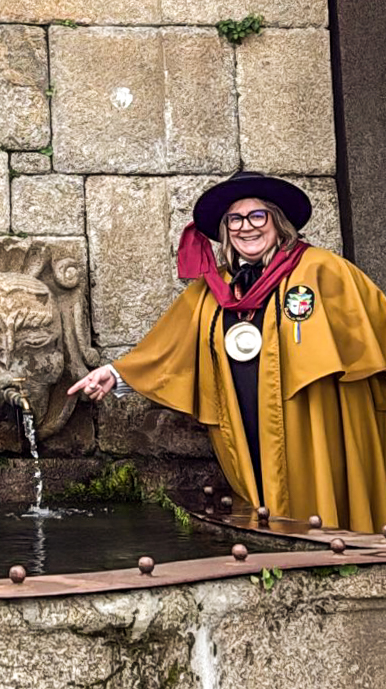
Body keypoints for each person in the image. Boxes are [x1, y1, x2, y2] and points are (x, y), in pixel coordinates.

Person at [68, 172, 386, 532]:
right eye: (235, 219)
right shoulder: (214, 289)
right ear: (225, 230)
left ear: (278, 222)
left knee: (318, 492)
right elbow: (166, 347)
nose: (246, 227)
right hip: (245, 418)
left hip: (313, 418)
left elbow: (373, 327)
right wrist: (114, 374)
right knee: (262, 501)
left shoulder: (323, 270)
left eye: (257, 216)